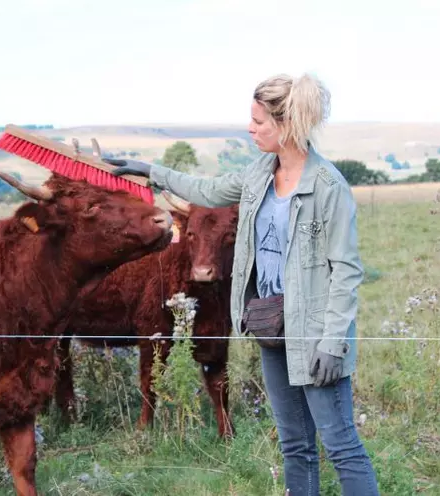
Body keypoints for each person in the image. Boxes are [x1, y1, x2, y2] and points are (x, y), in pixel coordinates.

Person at [100, 73, 379, 495]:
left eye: (259, 122)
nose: (250, 129)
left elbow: (346, 270)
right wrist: (153, 171)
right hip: (272, 325)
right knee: (295, 445)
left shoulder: (327, 187)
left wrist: (332, 342)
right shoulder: (259, 174)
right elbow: (208, 191)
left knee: (340, 446)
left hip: (316, 331)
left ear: (288, 126)